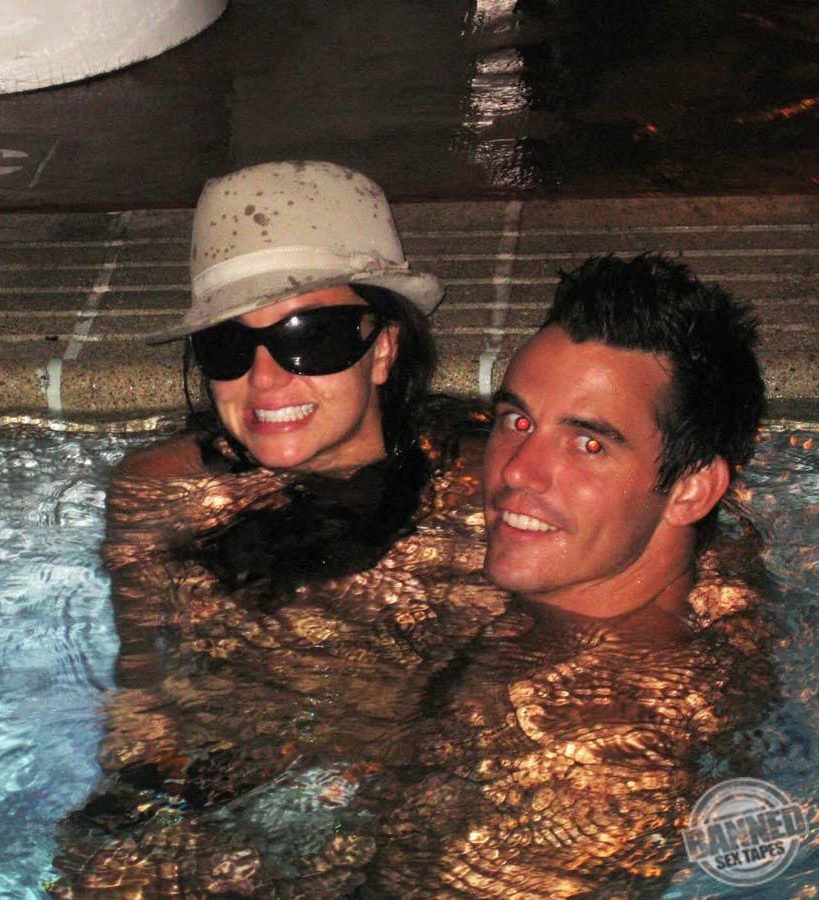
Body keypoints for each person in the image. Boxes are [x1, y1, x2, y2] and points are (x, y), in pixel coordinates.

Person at [52, 162, 510, 892]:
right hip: (225, 783)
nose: (265, 380)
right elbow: (143, 682)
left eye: (310, 338)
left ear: (384, 348)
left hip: (411, 789)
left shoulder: (485, 492)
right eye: (229, 346)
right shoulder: (162, 490)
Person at [362, 253, 776, 895]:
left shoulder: (599, 746)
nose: (516, 470)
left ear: (692, 490)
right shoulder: (705, 575)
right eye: (517, 421)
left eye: (589, 443)